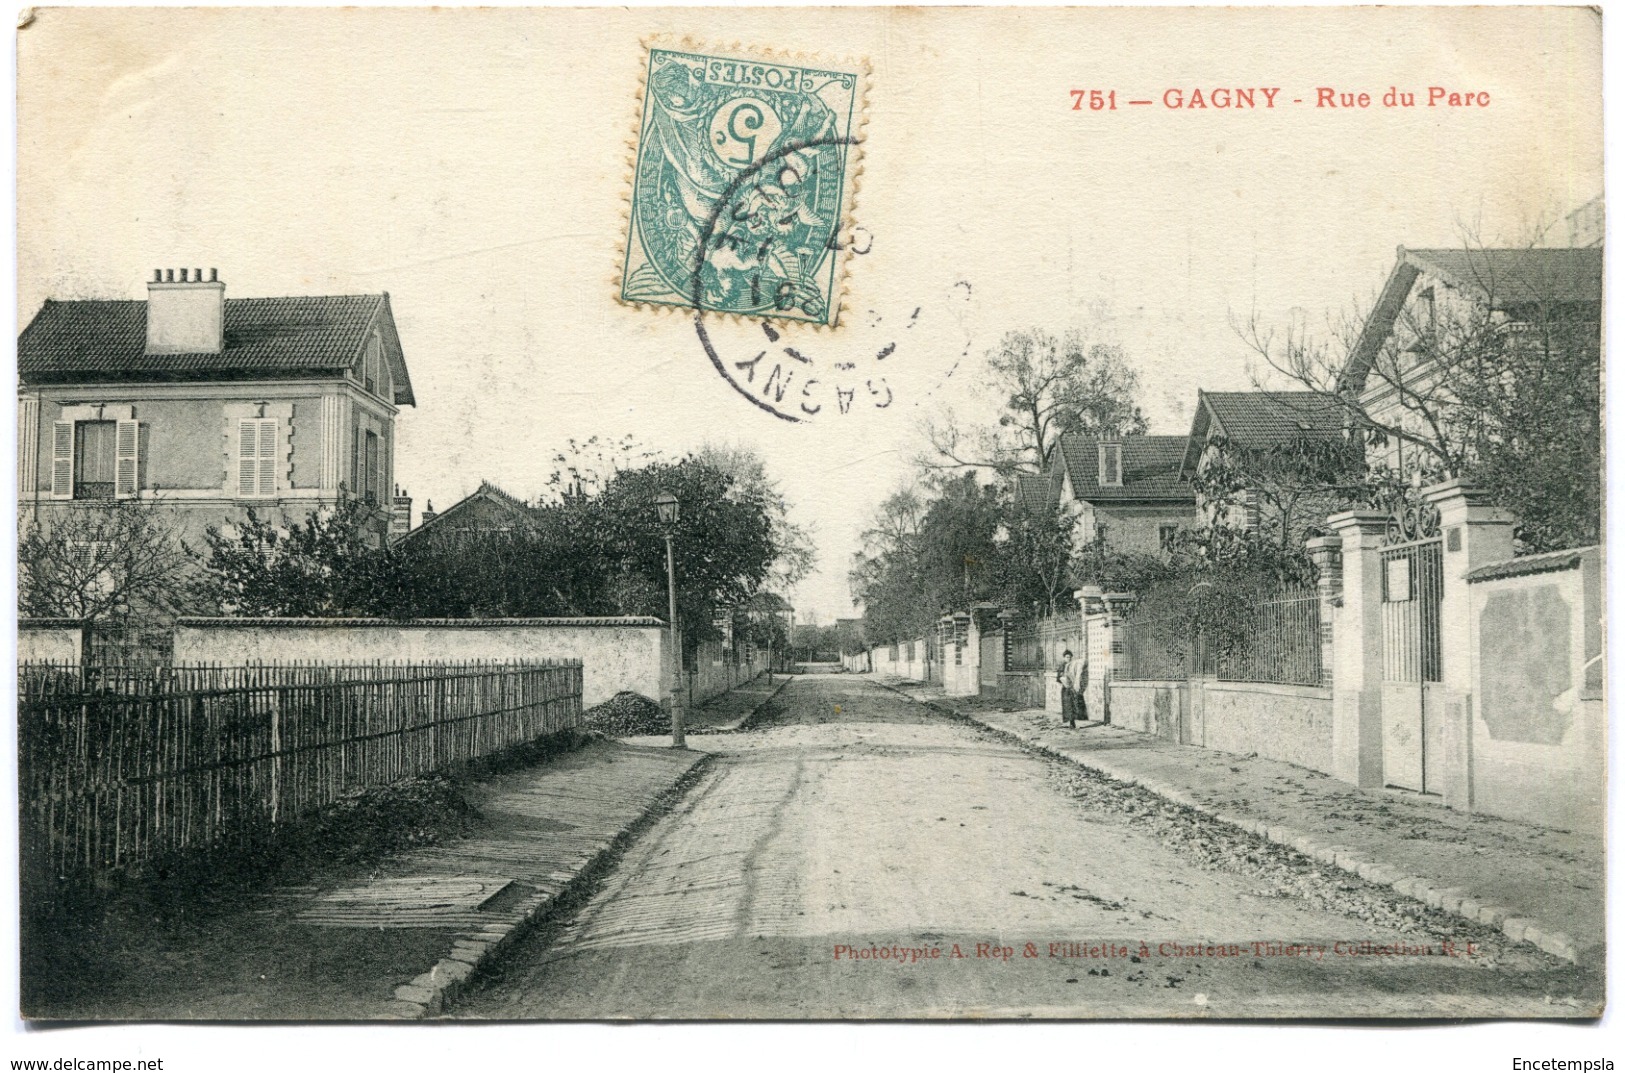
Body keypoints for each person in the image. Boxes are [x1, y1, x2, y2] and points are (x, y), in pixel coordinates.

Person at [1057, 648, 1089, 728]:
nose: (1069, 658)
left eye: (1070, 657)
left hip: (1074, 688)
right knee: (1068, 705)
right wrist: (1064, 681)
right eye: (1067, 657)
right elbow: (1059, 677)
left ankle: (1075, 720)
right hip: (1066, 689)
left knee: (1076, 704)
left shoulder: (1074, 665)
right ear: (1064, 658)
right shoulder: (1062, 666)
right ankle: (1071, 722)